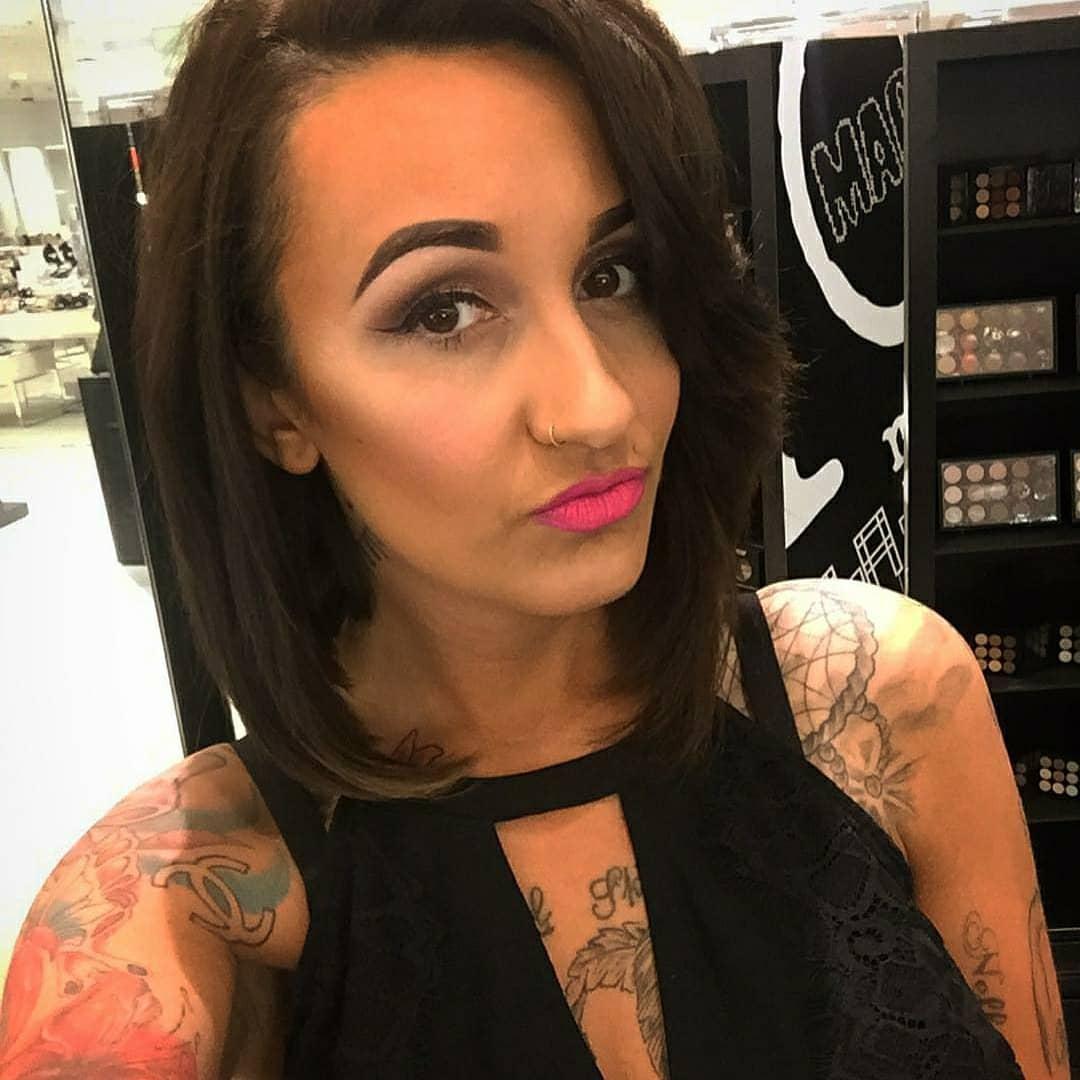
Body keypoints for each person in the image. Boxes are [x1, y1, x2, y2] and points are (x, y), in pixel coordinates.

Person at [0, 1, 1069, 1078]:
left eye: (613, 276)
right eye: (444, 311)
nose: (599, 406)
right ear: (272, 402)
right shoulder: (171, 911)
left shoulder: (882, 698)